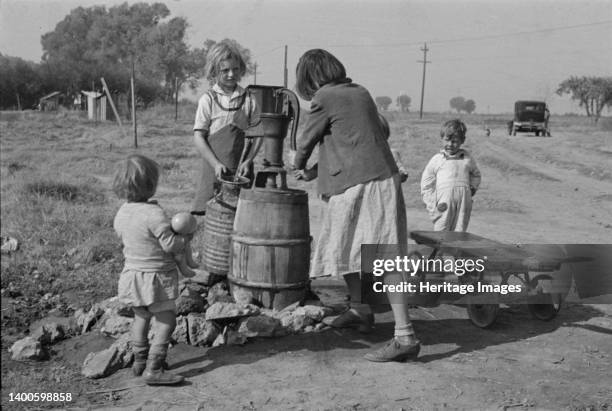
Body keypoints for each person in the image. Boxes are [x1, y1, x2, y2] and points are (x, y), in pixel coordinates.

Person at [290, 49, 421, 362]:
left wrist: (296, 163)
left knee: (384, 257)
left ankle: (405, 336)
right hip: (375, 178)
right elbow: (347, 142)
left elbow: (306, 140)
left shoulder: (325, 97)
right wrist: (314, 171)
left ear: (309, 78)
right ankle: (361, 310)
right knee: (345, 248)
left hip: (366, 184)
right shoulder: (359, 92)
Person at [113, 154, 193, 386]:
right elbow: (169, 244)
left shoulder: (122, 212)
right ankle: (154, 368)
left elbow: (123, 236)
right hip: (155, 278)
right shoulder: (155, 214)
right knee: (167, 320)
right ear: (152, 185)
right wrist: (185, 238)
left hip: (132, 276)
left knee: (141, 317)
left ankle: (140, 361)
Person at [191, 40, 260, 215]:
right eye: (225, 70)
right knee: (213, 214)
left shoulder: (249, 99)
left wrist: (248, 161)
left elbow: (258, 135)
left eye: (235, 69)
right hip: (214, 169)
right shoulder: (208, 100)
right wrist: (215, 164)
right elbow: (199, 137)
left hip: (240, 170)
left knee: (240, 216)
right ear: (214, 71)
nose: (231, 74)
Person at [420, 119, 481, 232]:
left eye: (455, 141)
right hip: (443, 204)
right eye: (447, 140)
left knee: (459, 234)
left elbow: (476, 175)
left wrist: (472, 188)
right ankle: (439, 250)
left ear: (462, 140)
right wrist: (432, 206)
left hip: (463, 204)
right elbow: (426, 185)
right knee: (440, 233)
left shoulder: (467, 158)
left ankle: (456, 250)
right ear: (442, 139)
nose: (450, 144)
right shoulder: (437, 160)